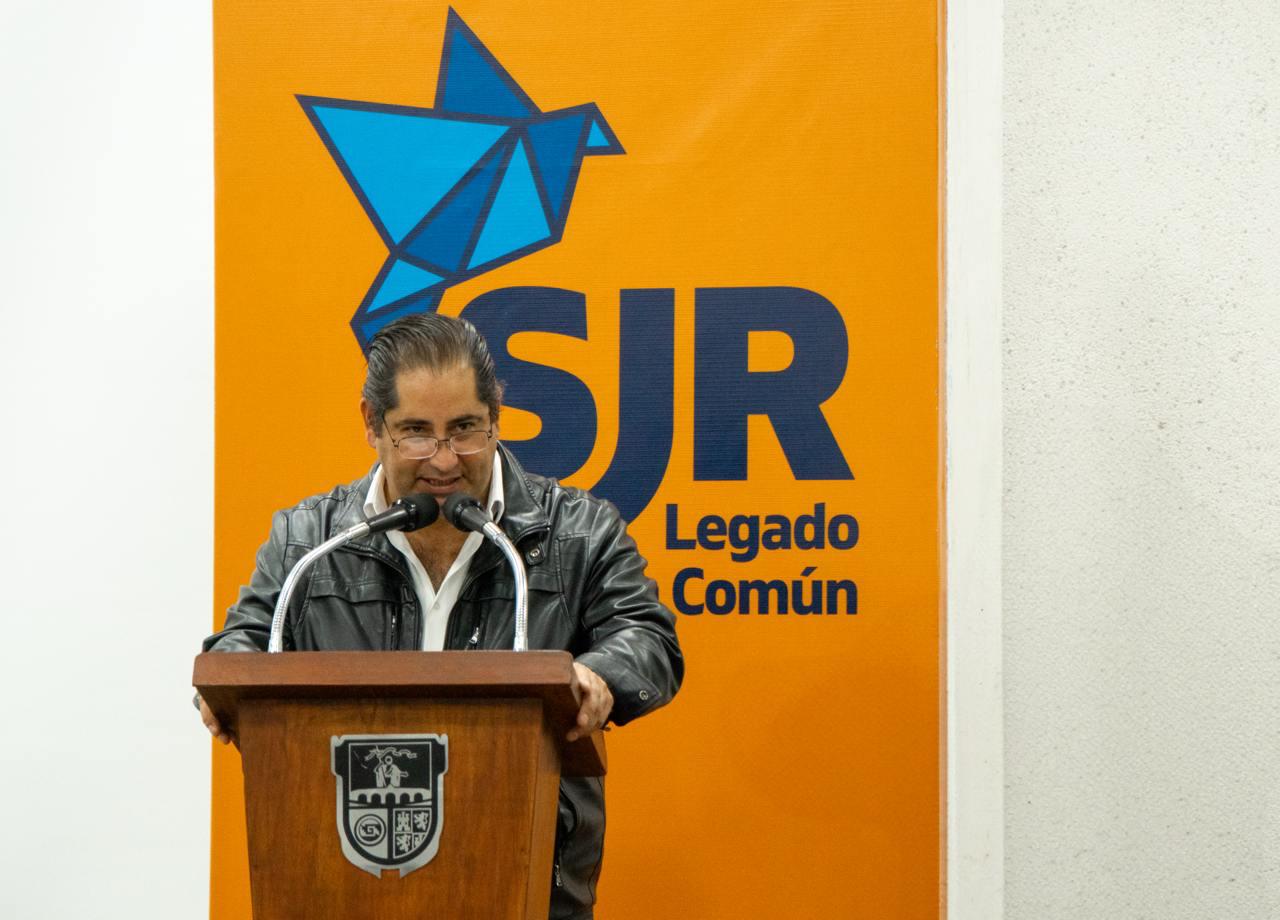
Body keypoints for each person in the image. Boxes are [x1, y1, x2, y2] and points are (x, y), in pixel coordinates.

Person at [198, 312, 683, 920]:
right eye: (416, 433)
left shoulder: (576, 532)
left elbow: (647, 636)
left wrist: (599, 675)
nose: (445, 460)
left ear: (495, 417)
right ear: (372, 424)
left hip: (526, 888)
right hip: (340, 889)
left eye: (465, 429)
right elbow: (244, 640)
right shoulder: (309, 541)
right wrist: (228, 683)